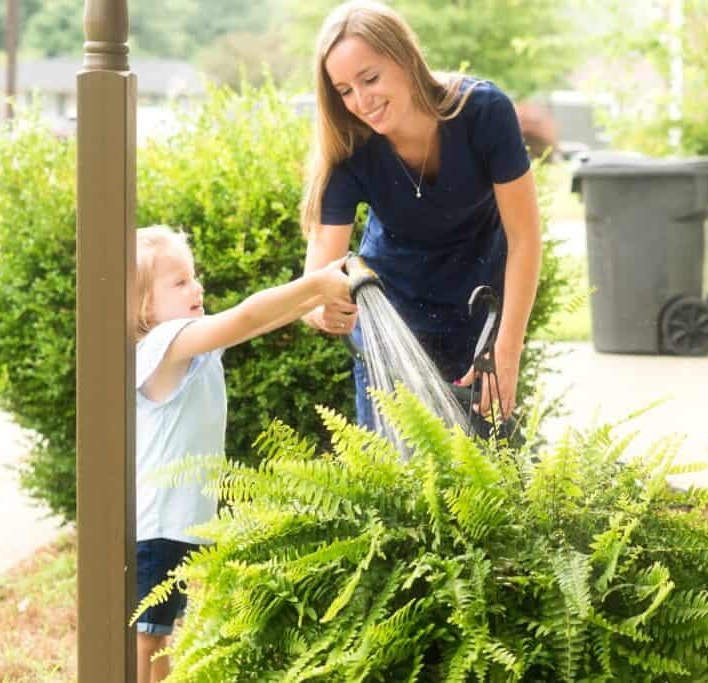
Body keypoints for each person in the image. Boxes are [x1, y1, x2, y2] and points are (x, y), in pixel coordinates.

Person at [299, 0, 542, 428]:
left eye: (369, 78)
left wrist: (506, 353)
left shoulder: (483, 112)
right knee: (395, 484)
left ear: (405, 57)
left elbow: (524, 238)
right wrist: (319, 311)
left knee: (482, 482)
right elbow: (317, 275)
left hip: (479, 320)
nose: (360, 101)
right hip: (391, 326)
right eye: (344, 91)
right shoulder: (351, 148)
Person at [132, 226, 352, 683]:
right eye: (179, 282)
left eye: (195, 277)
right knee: (146, 639)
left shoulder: (192, 348)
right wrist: (314, 284)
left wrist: (311, 301)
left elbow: (261, 322)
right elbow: (246, 317)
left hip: (171, 525)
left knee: (158, 635)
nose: (197, 288)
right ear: (145, 306)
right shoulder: (161, 345)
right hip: (154, 526)